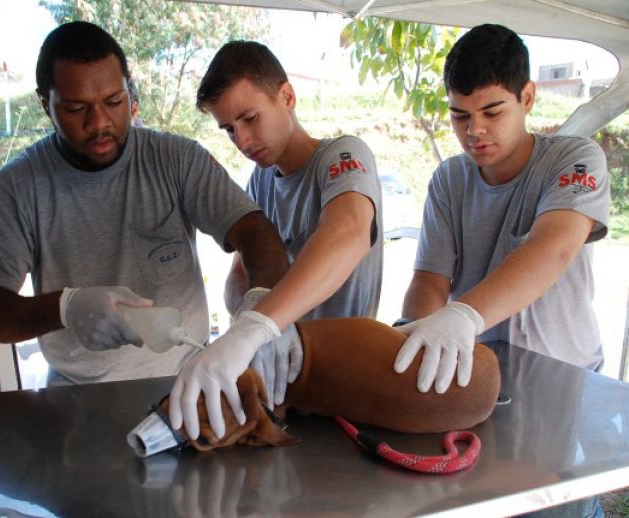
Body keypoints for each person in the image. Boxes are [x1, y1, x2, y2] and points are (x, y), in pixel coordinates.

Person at [0, 21, 289, 386]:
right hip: (79, 393)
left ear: (129, 92)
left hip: (187, 379)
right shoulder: (16, 189)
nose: (99, 122)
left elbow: (257, 234)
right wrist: (65, 308)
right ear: (45, 104)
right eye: (76, 108)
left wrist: (256, 316)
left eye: (113, 101)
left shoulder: (175, 159)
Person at [169, 41, 384, 440]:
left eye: (250, 118)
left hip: (345, 380)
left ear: (286, 96)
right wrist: (246, 316)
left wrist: (262, 324)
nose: (243, 140)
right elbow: (240, 276)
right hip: (283, 388)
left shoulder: (341, 157)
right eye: (229, 129)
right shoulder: (261, 182)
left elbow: (349, 232)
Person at [392, 24, 610, 395]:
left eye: (492, 112)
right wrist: (415, 336)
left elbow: (552, 249)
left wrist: (463, 315)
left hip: (565, 378)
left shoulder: (575, 160)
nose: (475, 130)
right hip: (476, 375)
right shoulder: (449, 179)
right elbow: (430, 279)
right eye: (460, 116)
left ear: (526, 97)